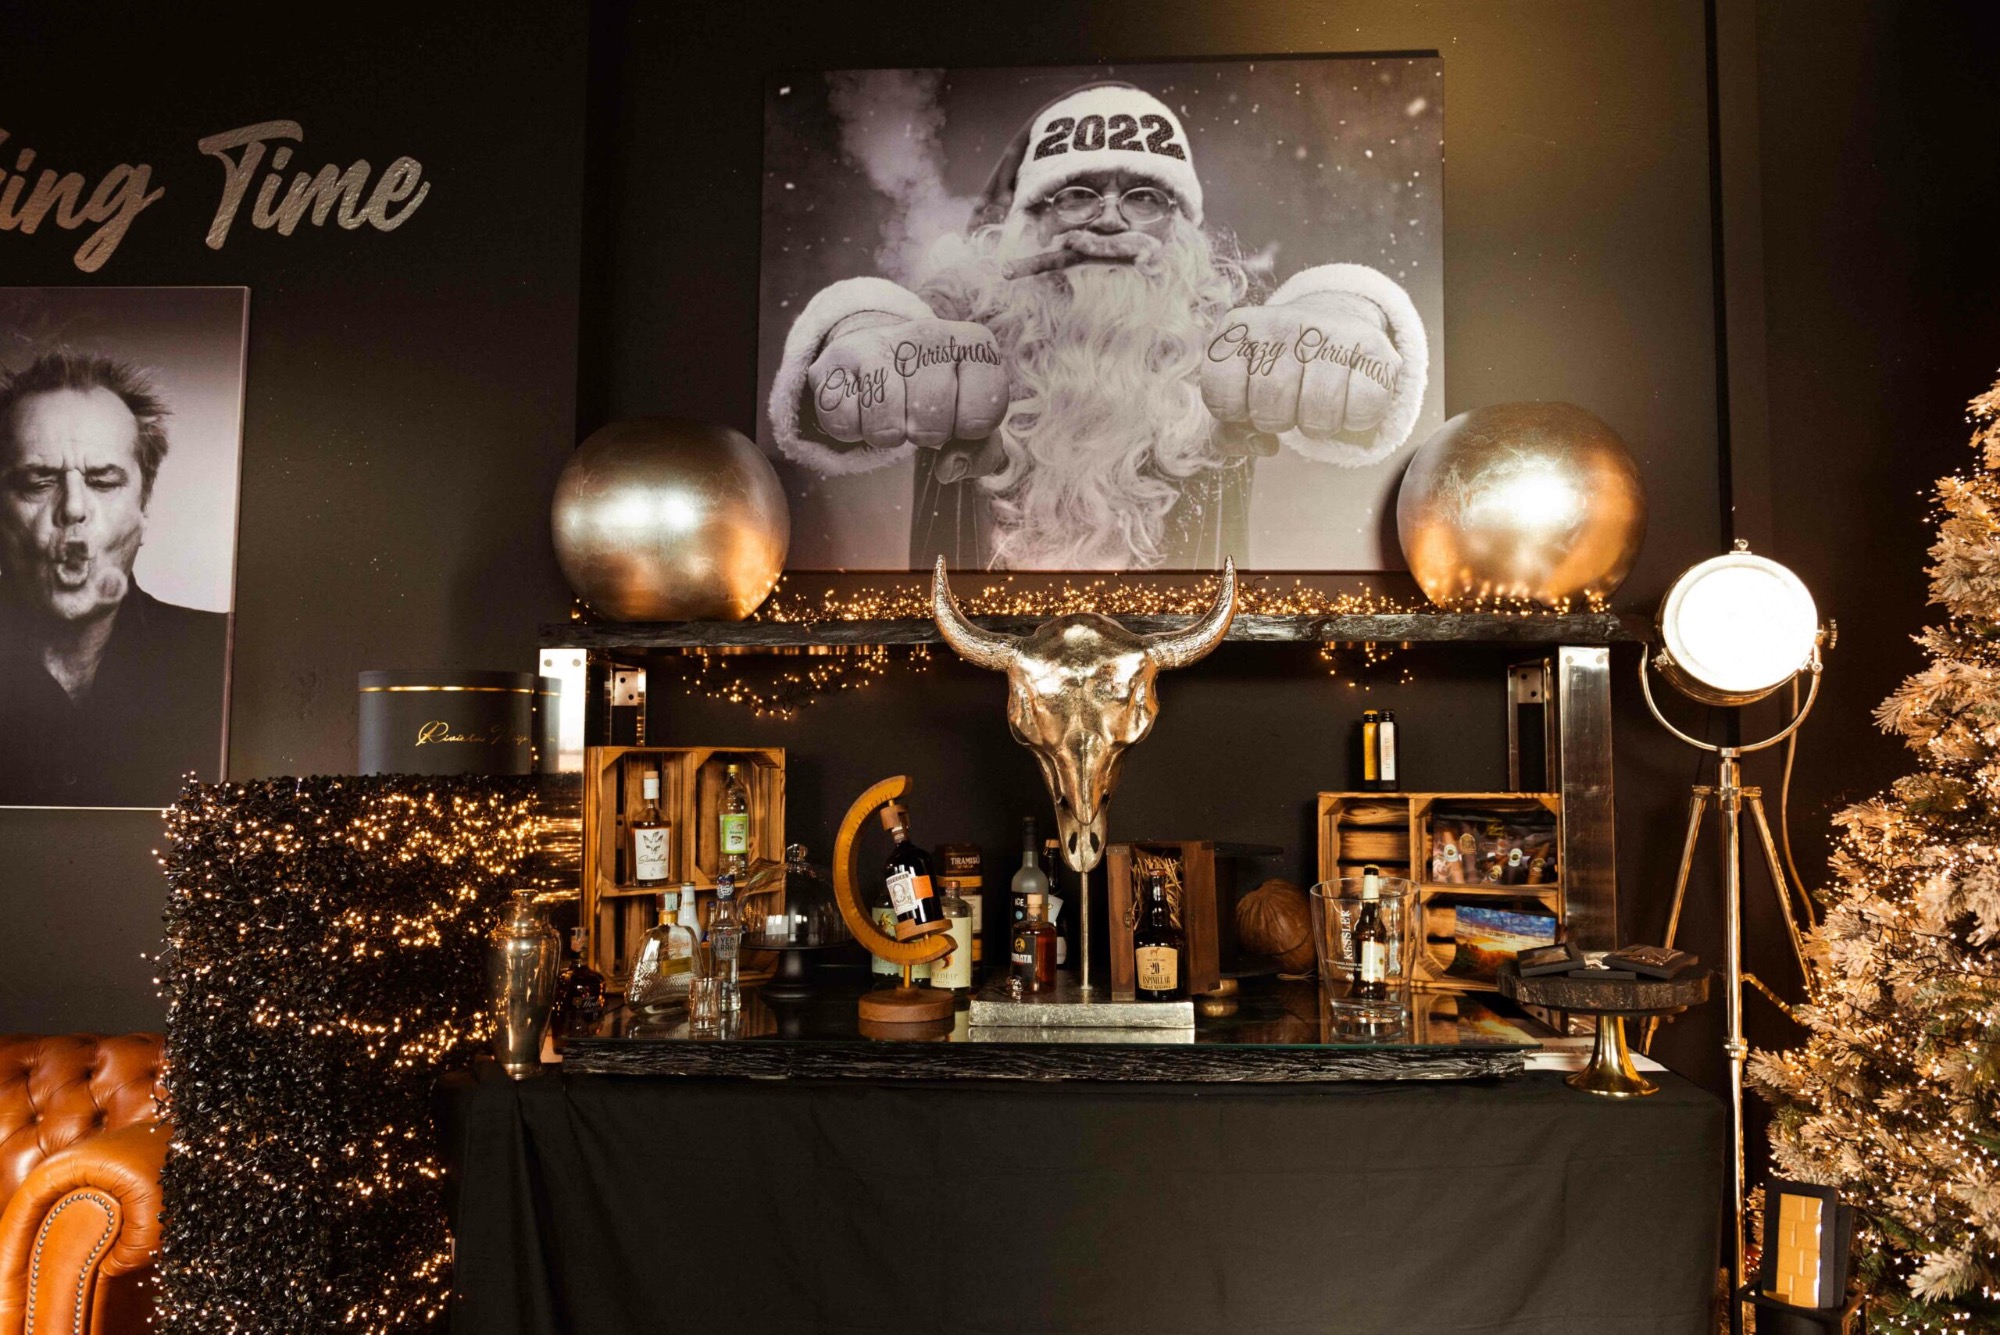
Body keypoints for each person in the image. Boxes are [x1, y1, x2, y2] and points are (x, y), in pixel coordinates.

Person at [767, 81, 1430, 570]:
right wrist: (859, 336)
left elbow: (1324, 338)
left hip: (1197, 683)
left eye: (1145, 198)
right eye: (1076, 195)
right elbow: (853, 365)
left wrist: (1347, 315)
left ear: (1182, 233)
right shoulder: (965, 320)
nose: (1109, 219)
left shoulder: (1222, 336)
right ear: (1027, 223)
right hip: (962, 681)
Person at [0, 351, 228, 806]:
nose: (73, 508)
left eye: (103, 482)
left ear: (145, 506)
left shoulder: (229, 659)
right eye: (38, 483)